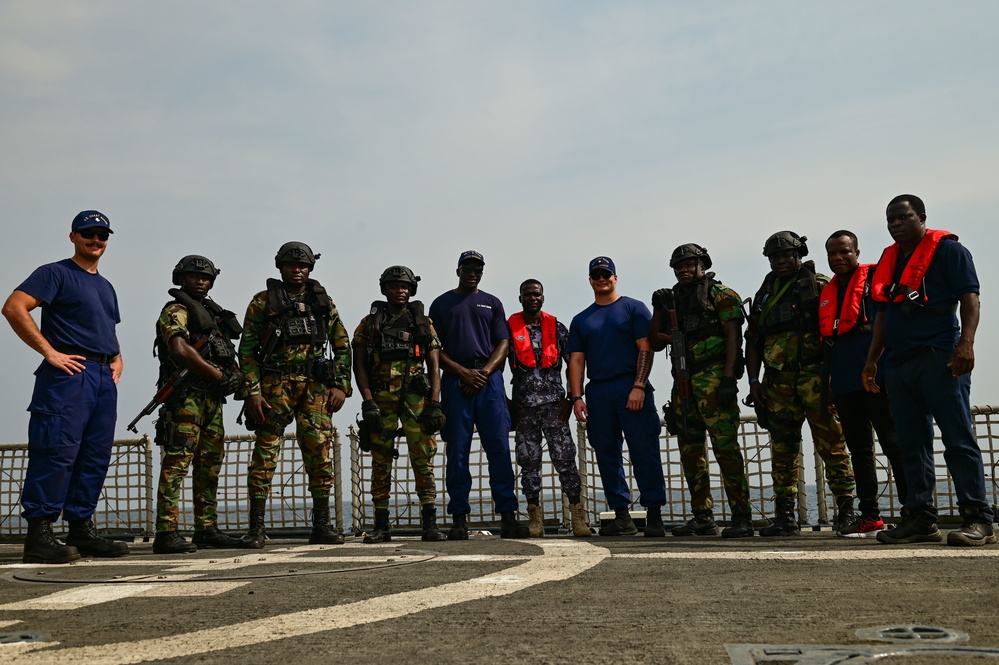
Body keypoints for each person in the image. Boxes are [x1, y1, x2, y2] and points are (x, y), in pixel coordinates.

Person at [863, 195, 995, 546]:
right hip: (899, 363)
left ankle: (978, 518)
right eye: (890, 219)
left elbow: (970, 298)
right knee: (911, 445)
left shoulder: (951, 252)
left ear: (921, 217)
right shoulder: (889, 262)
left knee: (957, 438)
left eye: (903, 217)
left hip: (939, 355)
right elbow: (881, 316)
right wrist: (872, 361)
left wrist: (966, 343)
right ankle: (920, 518)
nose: (895, 224)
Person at [2, 210, 129, 563]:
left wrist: (118, 357)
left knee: (94, 455)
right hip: (69, 376)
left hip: (103, 377)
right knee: (57, 450)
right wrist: (50, 352)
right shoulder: (55, 273)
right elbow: (14, 308)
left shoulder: (105, 286)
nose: (96, 240)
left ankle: (80, 529)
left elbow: (104, 327)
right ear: (73, 236)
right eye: (88, 233)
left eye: (102, 234)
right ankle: (40, 535)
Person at [239, 242, 352, 548]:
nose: (297, 270)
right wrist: (252, 393)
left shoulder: (322, 302)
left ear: (310, 269)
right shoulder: (262, 302)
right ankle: (257, 528)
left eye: (302, 266)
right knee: (265, 453)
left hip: (316, 387)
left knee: (320, 452)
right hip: (276, 385)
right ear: (281, 267)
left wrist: (341, 385)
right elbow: (247, 352)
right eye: (291, 265)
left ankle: (322, 525)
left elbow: (342, 343)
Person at [745, 232, 856, 537]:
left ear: (799, 254)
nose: (780, 261)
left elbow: (840, 332)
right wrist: (754, 381)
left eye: (786, 255)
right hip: (777, 382)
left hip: (816, 377)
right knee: (782, 449)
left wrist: (836, 377)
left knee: (832, 445)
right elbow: (753, 340)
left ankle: (846, 512)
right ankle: (785, 516)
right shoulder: (765, 292)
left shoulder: (820, 285)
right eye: (774, 257)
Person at [648, 244, 754, 538]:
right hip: (684, 383)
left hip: (714, 378)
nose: (684, 270)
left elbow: (734, 337)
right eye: (678, 266)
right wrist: (659, 307)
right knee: (690, 451)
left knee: (726, 450)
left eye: (689, 264)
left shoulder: (721, 295)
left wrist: (729, 379)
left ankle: (741, 516)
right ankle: (702, 516)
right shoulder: (674, 301)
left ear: (702, 264)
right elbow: (655, 342)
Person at [429, 250, 528, 540]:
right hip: (456, 382)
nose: (473, 272)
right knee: (457, 452)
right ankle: (459, 518)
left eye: (478, 268)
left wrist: (482, 374)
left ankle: (508, 515)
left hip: (490, 381)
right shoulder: (442, 304)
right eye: (468, 268)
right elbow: (435, 349)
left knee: (499, 449)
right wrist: (463, 372)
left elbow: (503, 343)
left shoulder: (493, 302)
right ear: (458, 270)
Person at [151, 255, 246, 554]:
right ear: (181, 278)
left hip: (212, 399)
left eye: (206, 277)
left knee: (209, 466)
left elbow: (223, 352)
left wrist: (233, 377)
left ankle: (206, 528)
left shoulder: (211, 315)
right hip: (186, 397)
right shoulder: (176, 310)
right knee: (177, 463)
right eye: (194, 276)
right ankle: (166, 532)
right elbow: (179, 349)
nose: (201, 280)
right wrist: (218, 374)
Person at [568, 256, 667, 537]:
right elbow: (576, 361)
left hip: (630, 386)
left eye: (606, 274)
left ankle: (655, 514)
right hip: (598, 391)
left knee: (644, 451)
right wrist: (577, 398)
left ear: (615, 277)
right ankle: (621, 515)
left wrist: (639, 385)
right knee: (607, 454)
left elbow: (645, 349)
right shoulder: (581, 319)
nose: (602, 279)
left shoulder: (633, 309)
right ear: (590, 280)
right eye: (596, 275)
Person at [820, 231, 907, 537]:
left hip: (877, 375)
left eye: (844, 252)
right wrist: (831, 383)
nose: (838, 258)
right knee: (859, 449)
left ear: (856, 251)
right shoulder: (828, 291)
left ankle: (913, 511)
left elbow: (891, 324)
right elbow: (830, 342)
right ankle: (870, 515)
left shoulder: (875, 282)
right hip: (844, 379)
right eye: (832, 254)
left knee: (893, 443)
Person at [352, 265, 447, 543]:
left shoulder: (422, 323)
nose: (400, 290)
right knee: (380, 460)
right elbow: (359, 366)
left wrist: (434, 403)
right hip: (381, 399)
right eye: (394, 286)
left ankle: (429, 524)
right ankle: (381, 525)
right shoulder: (369, 323)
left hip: (416, 398)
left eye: (405, 286)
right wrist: (367, 401)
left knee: (423, 459)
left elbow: (434, 364)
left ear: (411, 290)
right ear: (385, 289)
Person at [507, 279, 590, 538]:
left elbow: (574, 362)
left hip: (555, 407)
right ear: (520, 298)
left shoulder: (557, 327)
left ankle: (578, 516)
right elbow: (497, 361)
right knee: (528, 465)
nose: (532, 298)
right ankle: (535, 519)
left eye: (537, 294)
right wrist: (506, 402)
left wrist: (573, 397)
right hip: (524, 409)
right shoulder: (508, 329)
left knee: (566, 462)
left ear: (543, 297)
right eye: (527, 294)